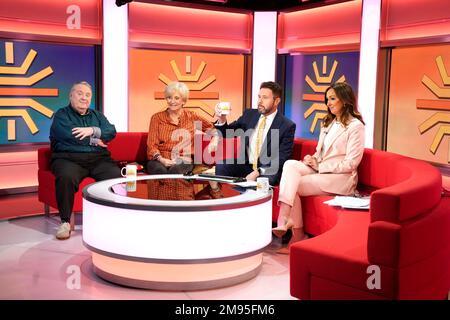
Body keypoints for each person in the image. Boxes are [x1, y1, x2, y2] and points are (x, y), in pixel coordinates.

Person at [272, 82, 365, 254]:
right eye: (327, 99)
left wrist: (320, 165)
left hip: (341, 178)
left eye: (332, 99)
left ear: (345, 100)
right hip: (321, 169)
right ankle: (283, 217)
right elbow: (320, 152)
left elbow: (352, 163)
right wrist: (312, 158)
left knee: (295, 185)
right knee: (290, 164)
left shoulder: (355, 126)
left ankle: (297, 234)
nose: (328, 103)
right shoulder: (327, 123)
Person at [50, 81, 121, 240]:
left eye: (88, 95)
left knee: (115, 175)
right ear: (71, 96)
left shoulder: (97, 115)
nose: (84, 98)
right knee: (66, 177)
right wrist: (95, 140)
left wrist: (92, 130)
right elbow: (70, 136)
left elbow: (111, 131)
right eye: (80, 93)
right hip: (68, 158)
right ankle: (65, 222)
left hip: (98, 159)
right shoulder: (61, 115)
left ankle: (115, 216)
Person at [214, 81, 296, 186]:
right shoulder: (249, 114)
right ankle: (225, 200)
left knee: (265, 179)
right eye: (259, 97)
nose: (260, 101)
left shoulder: (287, 126)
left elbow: (281, 159)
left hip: (267, 170)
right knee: (222, 165)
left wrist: (258, 172)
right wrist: (222, 120)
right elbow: (228, 133)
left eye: (265, 98)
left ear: (276, 101)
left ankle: (253, 200)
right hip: (245, 165)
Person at [146, 81, 220, 196]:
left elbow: (212, 129)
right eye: (169, 97)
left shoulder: (192, 116)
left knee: (176, 172)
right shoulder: (157, 118)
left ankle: (180, 205)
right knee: (159, 172)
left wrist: (215, 140)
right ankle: (159, 206)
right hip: (159, 159)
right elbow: (152, 145)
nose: (172, 101)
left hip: (183, 159)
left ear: (183, 101)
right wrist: (161, 159)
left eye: (176, 98)